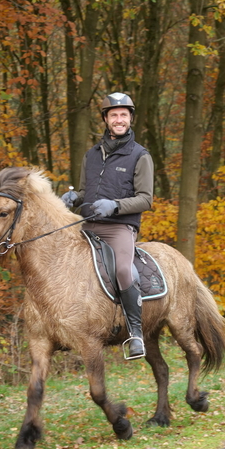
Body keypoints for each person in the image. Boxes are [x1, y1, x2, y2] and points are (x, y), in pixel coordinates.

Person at [62, 92, 154, 359]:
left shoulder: (140, 155)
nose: (119, 119)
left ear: (130, 118)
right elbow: (83, 190)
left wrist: (115, 205)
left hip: (119, 228)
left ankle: (135, 333)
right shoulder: (91, 155)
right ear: (105, 119)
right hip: (88, 225)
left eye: (123, 115)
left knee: (124, 270)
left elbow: (146, 199)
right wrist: (73, 198)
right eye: (113, 115)